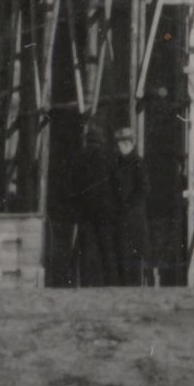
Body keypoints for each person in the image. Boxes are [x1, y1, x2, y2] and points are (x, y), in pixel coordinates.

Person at [71, 117, 118, 287]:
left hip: (85, 210)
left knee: (86, 248)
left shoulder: (79, 157)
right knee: (107, 248)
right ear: (102, 140)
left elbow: (73, 185)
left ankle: (85, 283)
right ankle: (110, 283)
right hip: (105, 209)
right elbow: (115, 184)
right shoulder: (108, 158)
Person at [112, 124, 152, 287]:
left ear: (130, 143)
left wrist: (129, 205)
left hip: (134, 219)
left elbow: (144, 189)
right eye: (118, 142)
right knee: (122, 255)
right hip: (121, 218)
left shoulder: (137, 163)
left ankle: (134, 289)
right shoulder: (117, 163)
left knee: (134, 259)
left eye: (123, 142)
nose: (119, 145)